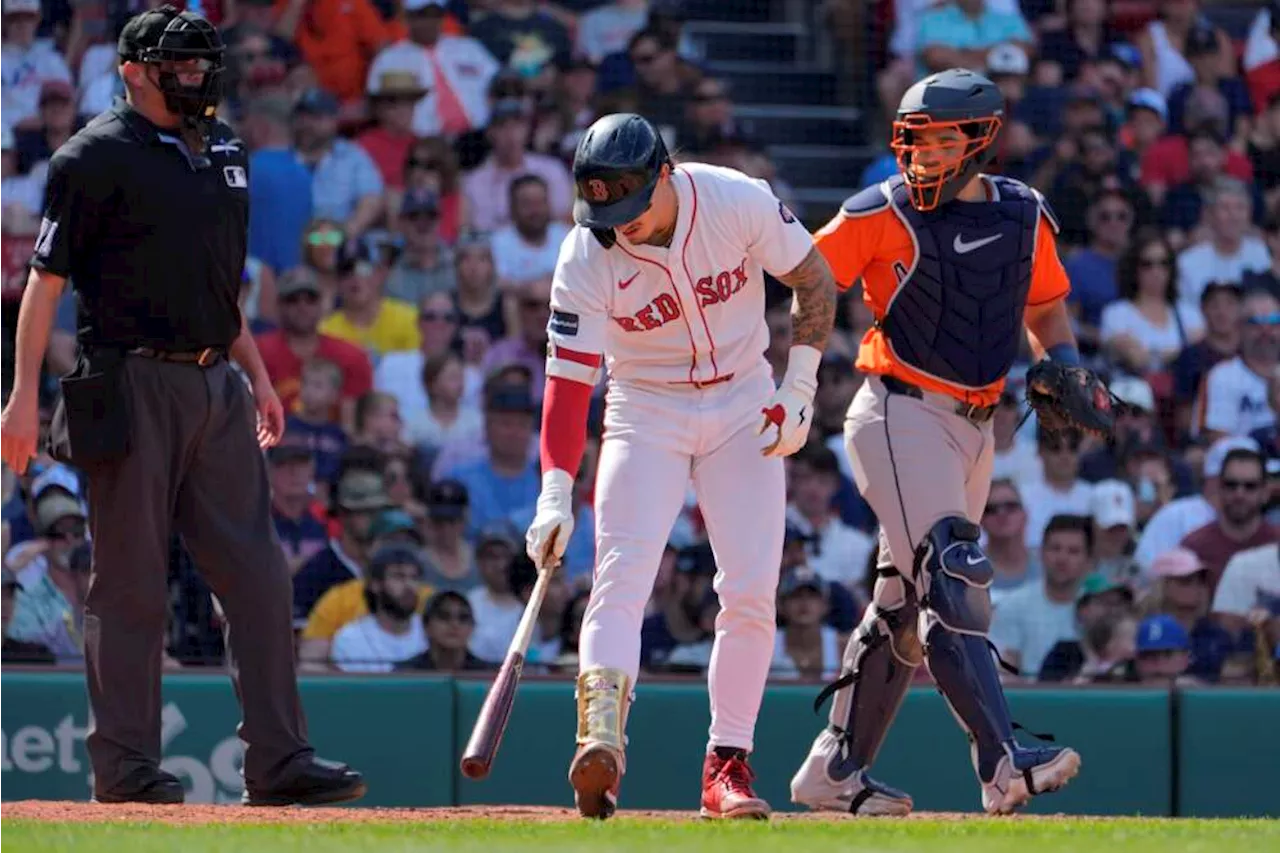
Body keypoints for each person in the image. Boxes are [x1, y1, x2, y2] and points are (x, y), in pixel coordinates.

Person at [0, 7, 364, 807]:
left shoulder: (224, 145)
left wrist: (259, 375)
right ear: (132, 70)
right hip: (128, 380)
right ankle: (125, 767)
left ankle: (279, 758)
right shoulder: (91, 156)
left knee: (261, 577)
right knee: (129, 584)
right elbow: (45, 280)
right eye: (179, 63)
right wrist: (22, 395)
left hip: (217, 382)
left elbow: (219, 281)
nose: (196, 75)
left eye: (202, 62)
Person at [523, 112, 837, 820]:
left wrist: (800, 388)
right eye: (604, 209)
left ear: (664, 174)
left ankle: (726, 766)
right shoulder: (584, 253)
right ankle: (600, 741)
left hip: (743, 397)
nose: (620, 224)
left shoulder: (733, 199)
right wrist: (553, 492)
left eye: (629, 205)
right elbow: (568, 384)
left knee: (752, 589)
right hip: (645, 406)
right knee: (621, 574)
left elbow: (814, 280)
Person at [788, 69, 1084, 818]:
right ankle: (1003, 758)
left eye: (939, 139)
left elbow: (1046, 311)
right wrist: (785, 379)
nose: (921, 155)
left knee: (901, 604)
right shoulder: (876, 213)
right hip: (898, 412)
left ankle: (834, 768)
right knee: (952, 569)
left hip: (977, 429)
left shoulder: (1023, 214)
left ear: (980, 139)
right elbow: (805, 278)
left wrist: (1066, 367)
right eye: (914, 140)